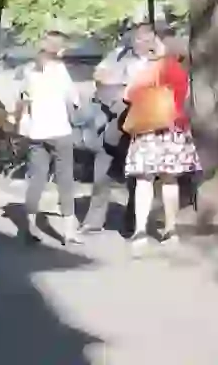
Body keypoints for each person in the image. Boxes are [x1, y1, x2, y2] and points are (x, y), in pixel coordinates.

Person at [122, 26, 200, 251]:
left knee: (144, 180)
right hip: (174, 129)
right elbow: (183, 98)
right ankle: (170, 228)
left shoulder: (148, 68)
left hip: (148, 129)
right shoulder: (180, 70)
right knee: (169, 180)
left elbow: (128, 95)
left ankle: (140, 231)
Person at [14, 32, 83, 245]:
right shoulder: (60, 70)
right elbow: (74, 99)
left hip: (37, 133)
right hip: (60, 131)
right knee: (65, 181)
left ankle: (30, 226)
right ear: (59, 49)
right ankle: (69, 231)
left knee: (37, 180)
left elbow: (23, 100)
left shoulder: (28, 71)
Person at [81, 24, 149, 234]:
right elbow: (100, 74)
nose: (139, 43)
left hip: (141, 121)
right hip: (114, 120)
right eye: (136, 39)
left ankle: (133, 222)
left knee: (137, 175)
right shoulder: (119, 55)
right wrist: (121, 85)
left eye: (145, 40)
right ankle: (94, 221)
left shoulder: (157, 61)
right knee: (102, 171)